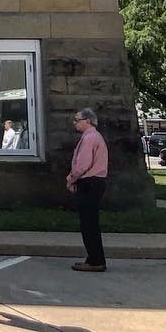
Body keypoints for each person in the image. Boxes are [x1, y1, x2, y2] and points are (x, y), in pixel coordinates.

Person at [67, 107, 109, 272]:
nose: (74, 122)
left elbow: (83, 164)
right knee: (90, 223)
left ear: (88, 121)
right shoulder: (93, 137)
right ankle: (93, 258)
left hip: (90, 183)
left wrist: (71, 178)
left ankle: (96, 260)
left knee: (89, 224)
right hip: (95, 182)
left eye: (77, 119)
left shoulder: (90, 138)